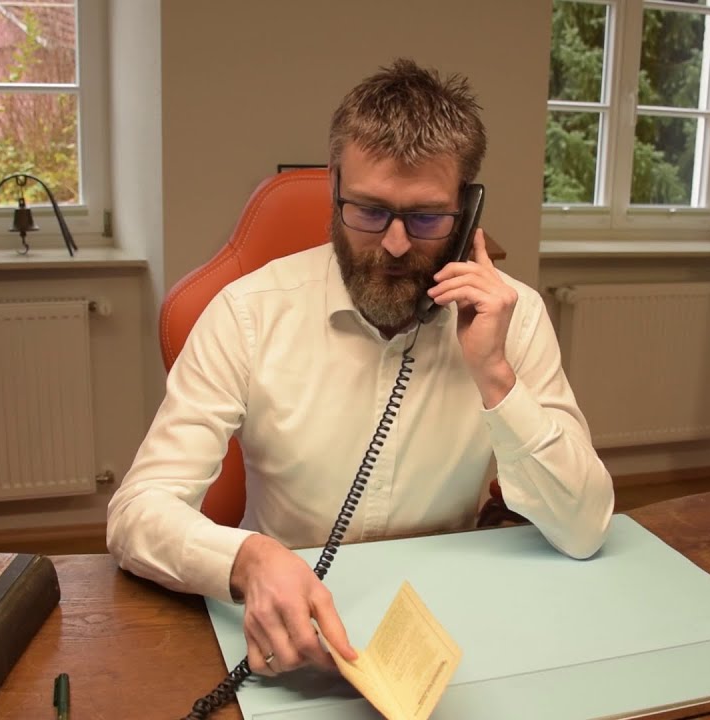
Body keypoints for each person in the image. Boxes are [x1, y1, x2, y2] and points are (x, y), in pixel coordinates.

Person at [107, 58, 614, 678]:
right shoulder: (248, 314)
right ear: (334, 191)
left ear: (468, 212)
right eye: (369, 211)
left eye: (426, 218)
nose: (395, 244)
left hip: (450, 622)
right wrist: (249, 560)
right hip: (283, 618)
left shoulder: (514, 317)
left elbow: (585, 527)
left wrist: (496, 376)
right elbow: (136, 513)